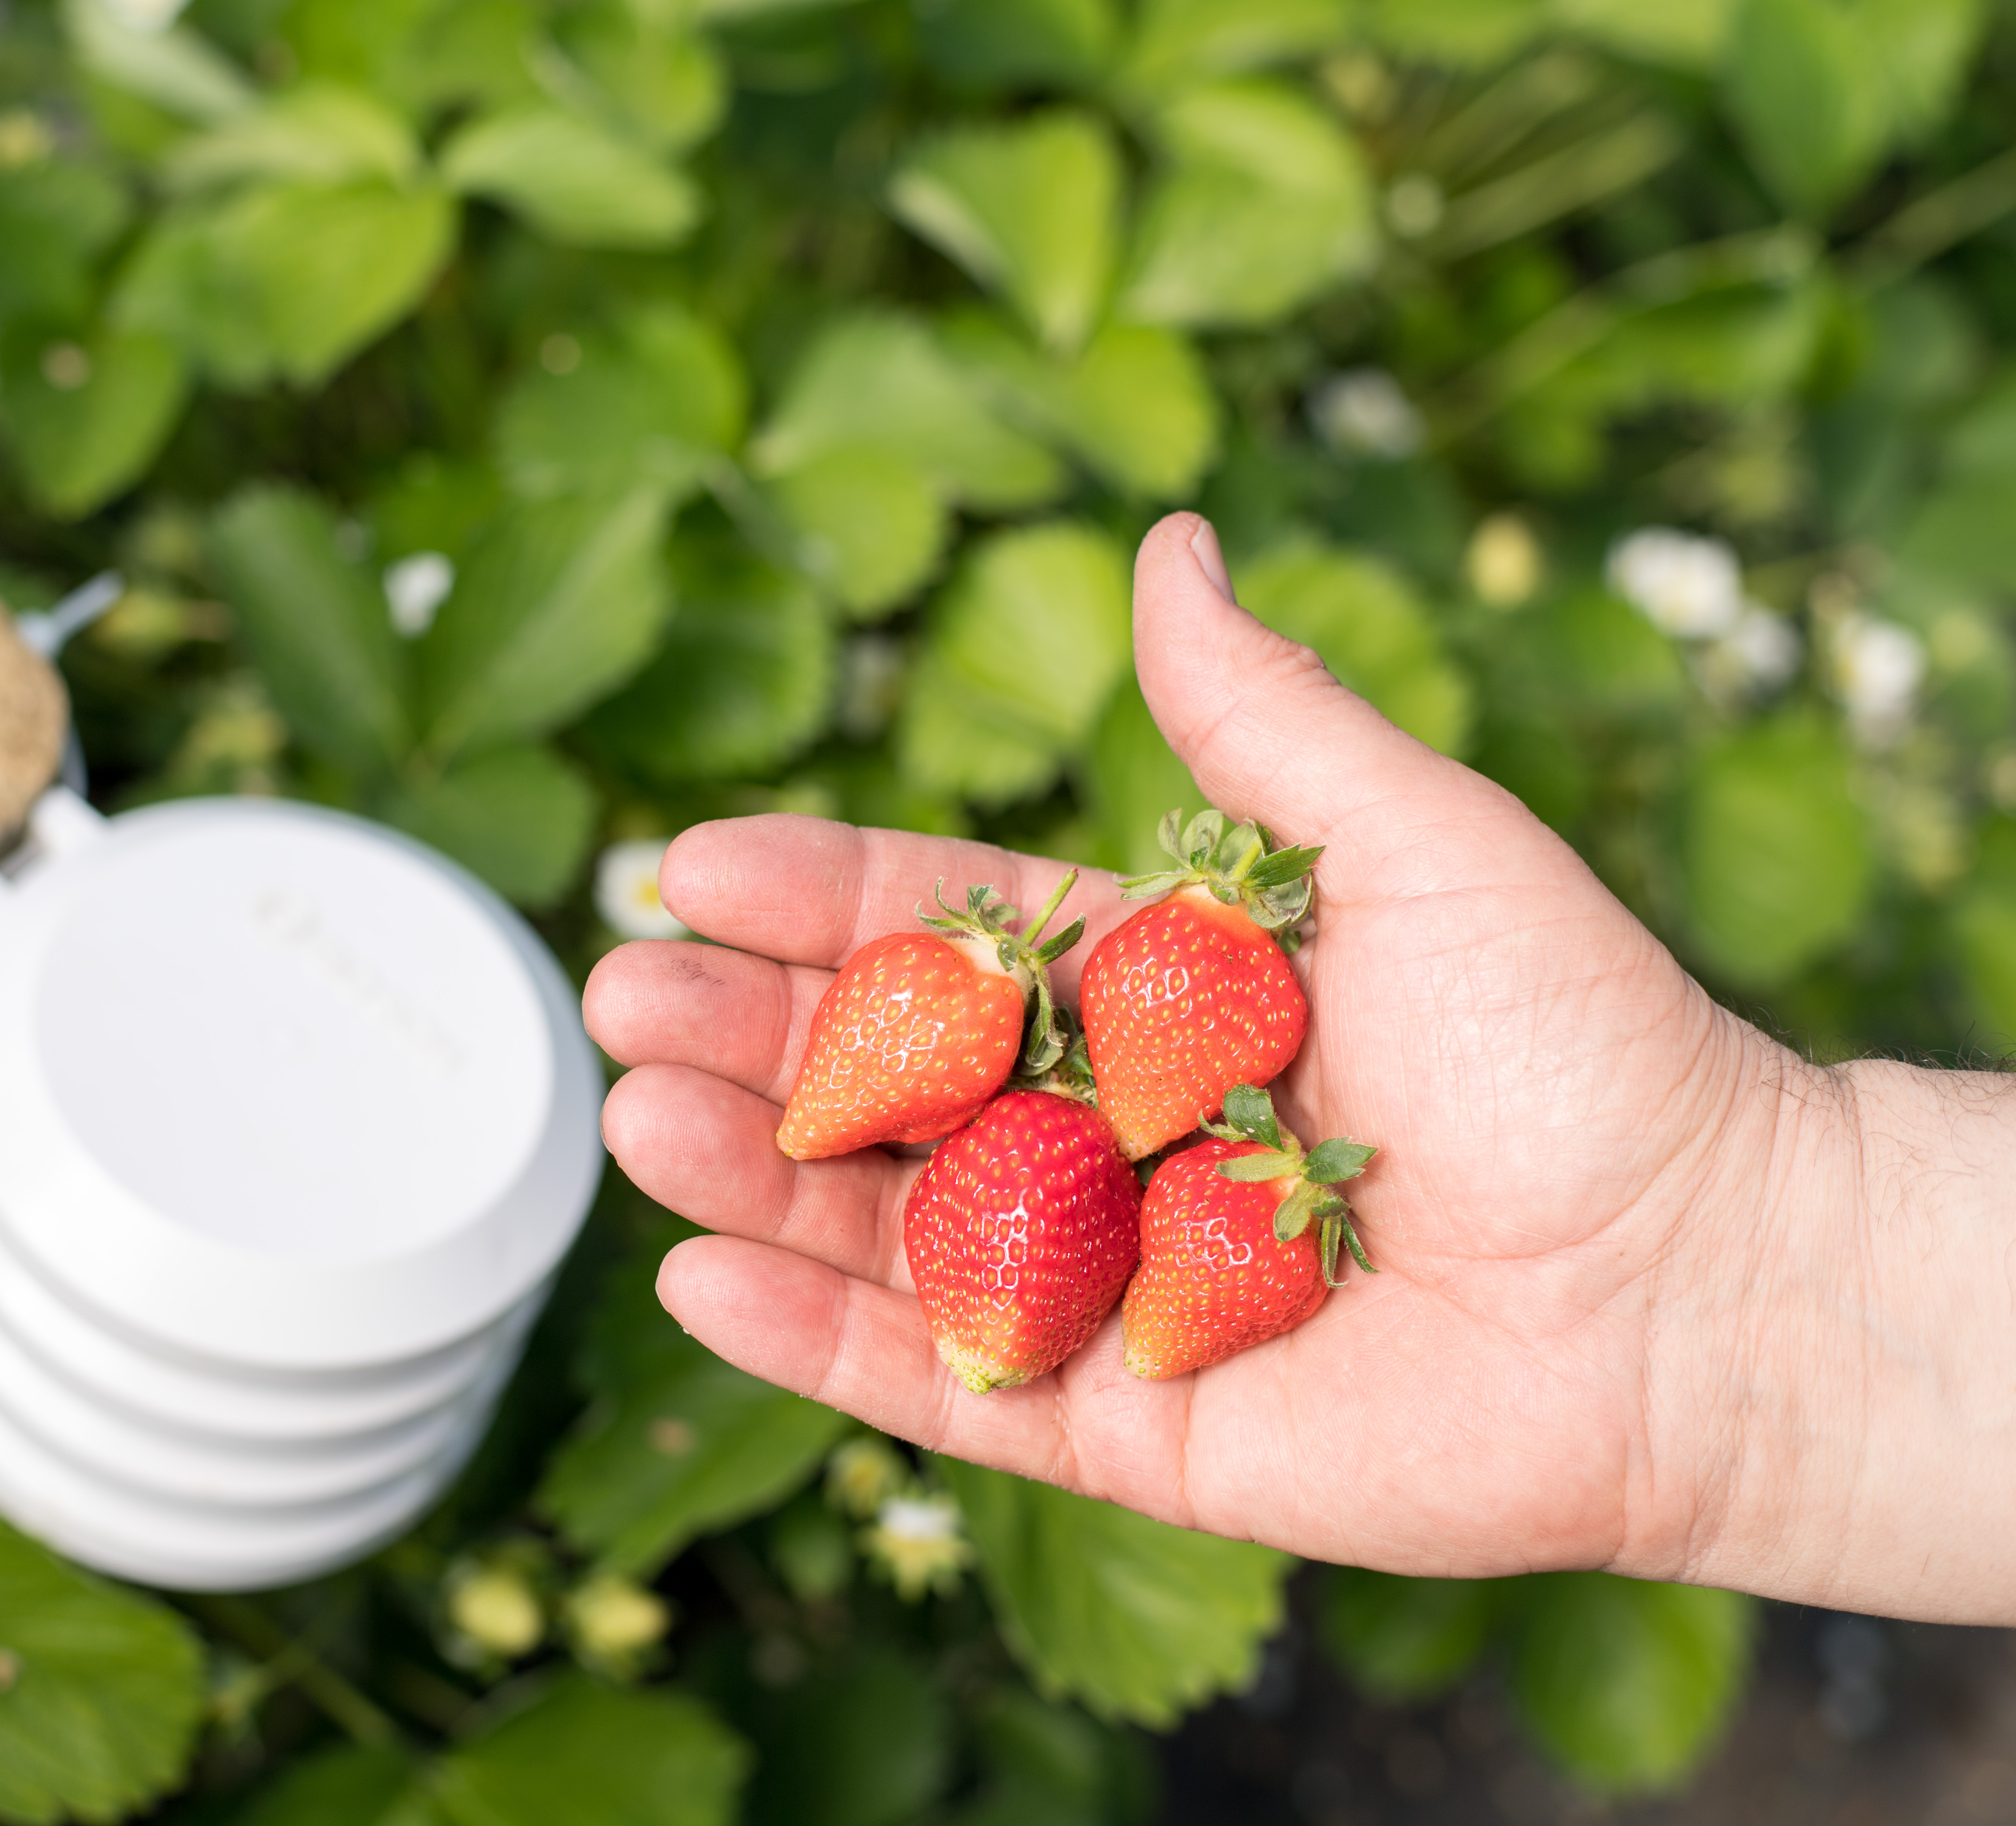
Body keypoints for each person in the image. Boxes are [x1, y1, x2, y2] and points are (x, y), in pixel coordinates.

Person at [581, 511, 2016, 1627]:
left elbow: (1128, 1132)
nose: (1135, 1117)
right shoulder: (1177, 1058)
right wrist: (1758, 1232)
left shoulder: (1182, 1036)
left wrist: (1733, 1225)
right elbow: (1129, 1124)